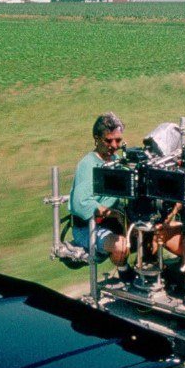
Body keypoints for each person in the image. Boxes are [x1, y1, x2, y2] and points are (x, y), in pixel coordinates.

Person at [70, 112, 131, 276]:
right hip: (87, 228)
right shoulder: (88, 164)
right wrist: (113, 213)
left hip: (112, 223)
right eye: (108, 141)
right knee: (121, 246)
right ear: (96, 139)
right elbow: (81, 204)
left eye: (118, 140)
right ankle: (125, 274)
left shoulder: (116, 160)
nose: (114, 145)